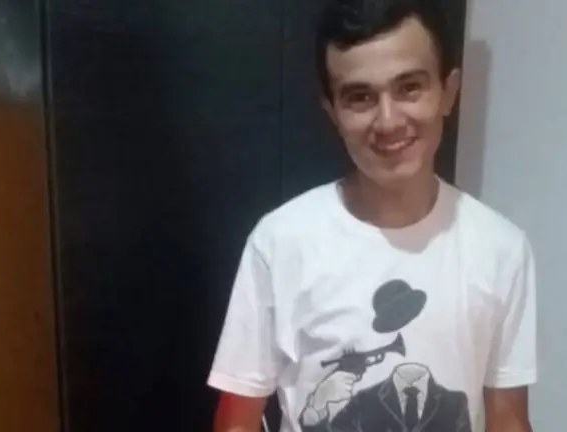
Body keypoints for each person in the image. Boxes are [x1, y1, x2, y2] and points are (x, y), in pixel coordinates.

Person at [207, 0, 537, 430]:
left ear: (449, 92)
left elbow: (508, 420)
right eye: (360, 97)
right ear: (332, 112)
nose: (388, 121)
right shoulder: (279, 243)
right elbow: (236, 421)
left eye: (409, 88)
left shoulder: (503, 250)